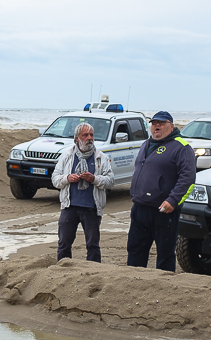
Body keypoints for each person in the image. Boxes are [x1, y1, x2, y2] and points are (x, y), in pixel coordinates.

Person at [126, 111, 196, 271]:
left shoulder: (181, 147)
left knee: (165, 254)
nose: (157, 125)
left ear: (171, 126)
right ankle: (134, 285)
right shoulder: (146, 144)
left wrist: (173, 200)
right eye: (154, 123)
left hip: (164, 211)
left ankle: (165, 288)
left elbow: (188, 178)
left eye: (161, 123)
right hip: (140, 208)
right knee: (135, 250)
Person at [51, 122, 114, 262]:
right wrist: (67, 178)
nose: (89, 138)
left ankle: (93, 273)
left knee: (93, 245)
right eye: (85, 135)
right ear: (76, 138)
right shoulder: (67, 155)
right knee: (64, 244)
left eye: (91, 135)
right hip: (69, 207)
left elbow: (110, 181)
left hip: (91, 208)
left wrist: (94, 179)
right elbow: (55, 179)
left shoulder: (101, 157)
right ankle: (63, 270)